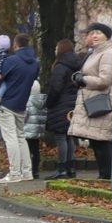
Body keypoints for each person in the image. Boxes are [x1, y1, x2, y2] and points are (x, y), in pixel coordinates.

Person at [68, 22, 112, 179]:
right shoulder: (94, 53)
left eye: (98, 33)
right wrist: (78, 77)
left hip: (100, 102)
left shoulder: (108, 54)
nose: (94, 36)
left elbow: (104, 80)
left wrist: (83, 79)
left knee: (102, 141)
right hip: (91, 101)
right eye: (92, 33)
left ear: (106, 36)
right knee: (96, 142)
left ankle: (107, 177)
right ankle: (104, 177)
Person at [0, 33, 39, 183]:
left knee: (11, 139)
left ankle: (14, 173)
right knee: (21, 137)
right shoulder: (35, 63)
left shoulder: (11, 60)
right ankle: (27, 172)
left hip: (6, 103)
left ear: (15, 45)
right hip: (21, 104)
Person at [45, 38, 83, 179]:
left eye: (56, 48)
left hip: (60, 104)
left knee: (61, 136)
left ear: (61, 49)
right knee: (69, 136)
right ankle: (70, 168)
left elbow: (56, 87)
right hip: (72, 104)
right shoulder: (77, 64)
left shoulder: (60, 66)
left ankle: (61, 169)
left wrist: (49, 103)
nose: (55, 50)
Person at [24, 80, 47, 179]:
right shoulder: (42, 100)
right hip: (38, 130)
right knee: (35, 150)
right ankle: (35, 170)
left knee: (27, 150)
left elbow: (24, 115)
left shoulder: (27, 101)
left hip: (27, 129)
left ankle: (29, 170)